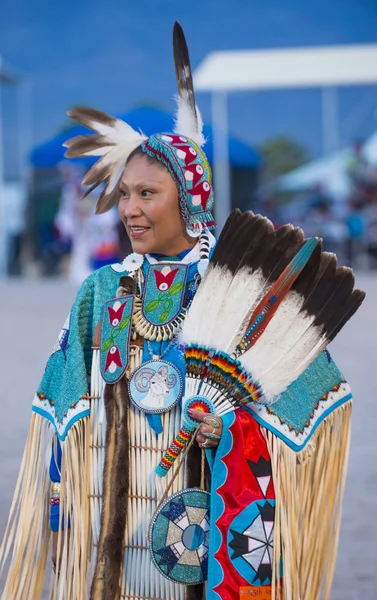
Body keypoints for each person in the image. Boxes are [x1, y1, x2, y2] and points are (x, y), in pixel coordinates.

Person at [0, 23, 359, 600]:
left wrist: (237, 429)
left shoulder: (241, 295)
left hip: (201, 546)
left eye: (148, 194)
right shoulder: (101, 291)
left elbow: (319, 404)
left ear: (190, 201)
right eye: (124, 194)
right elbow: (58, 407)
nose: (130, 210)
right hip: (111, 546)